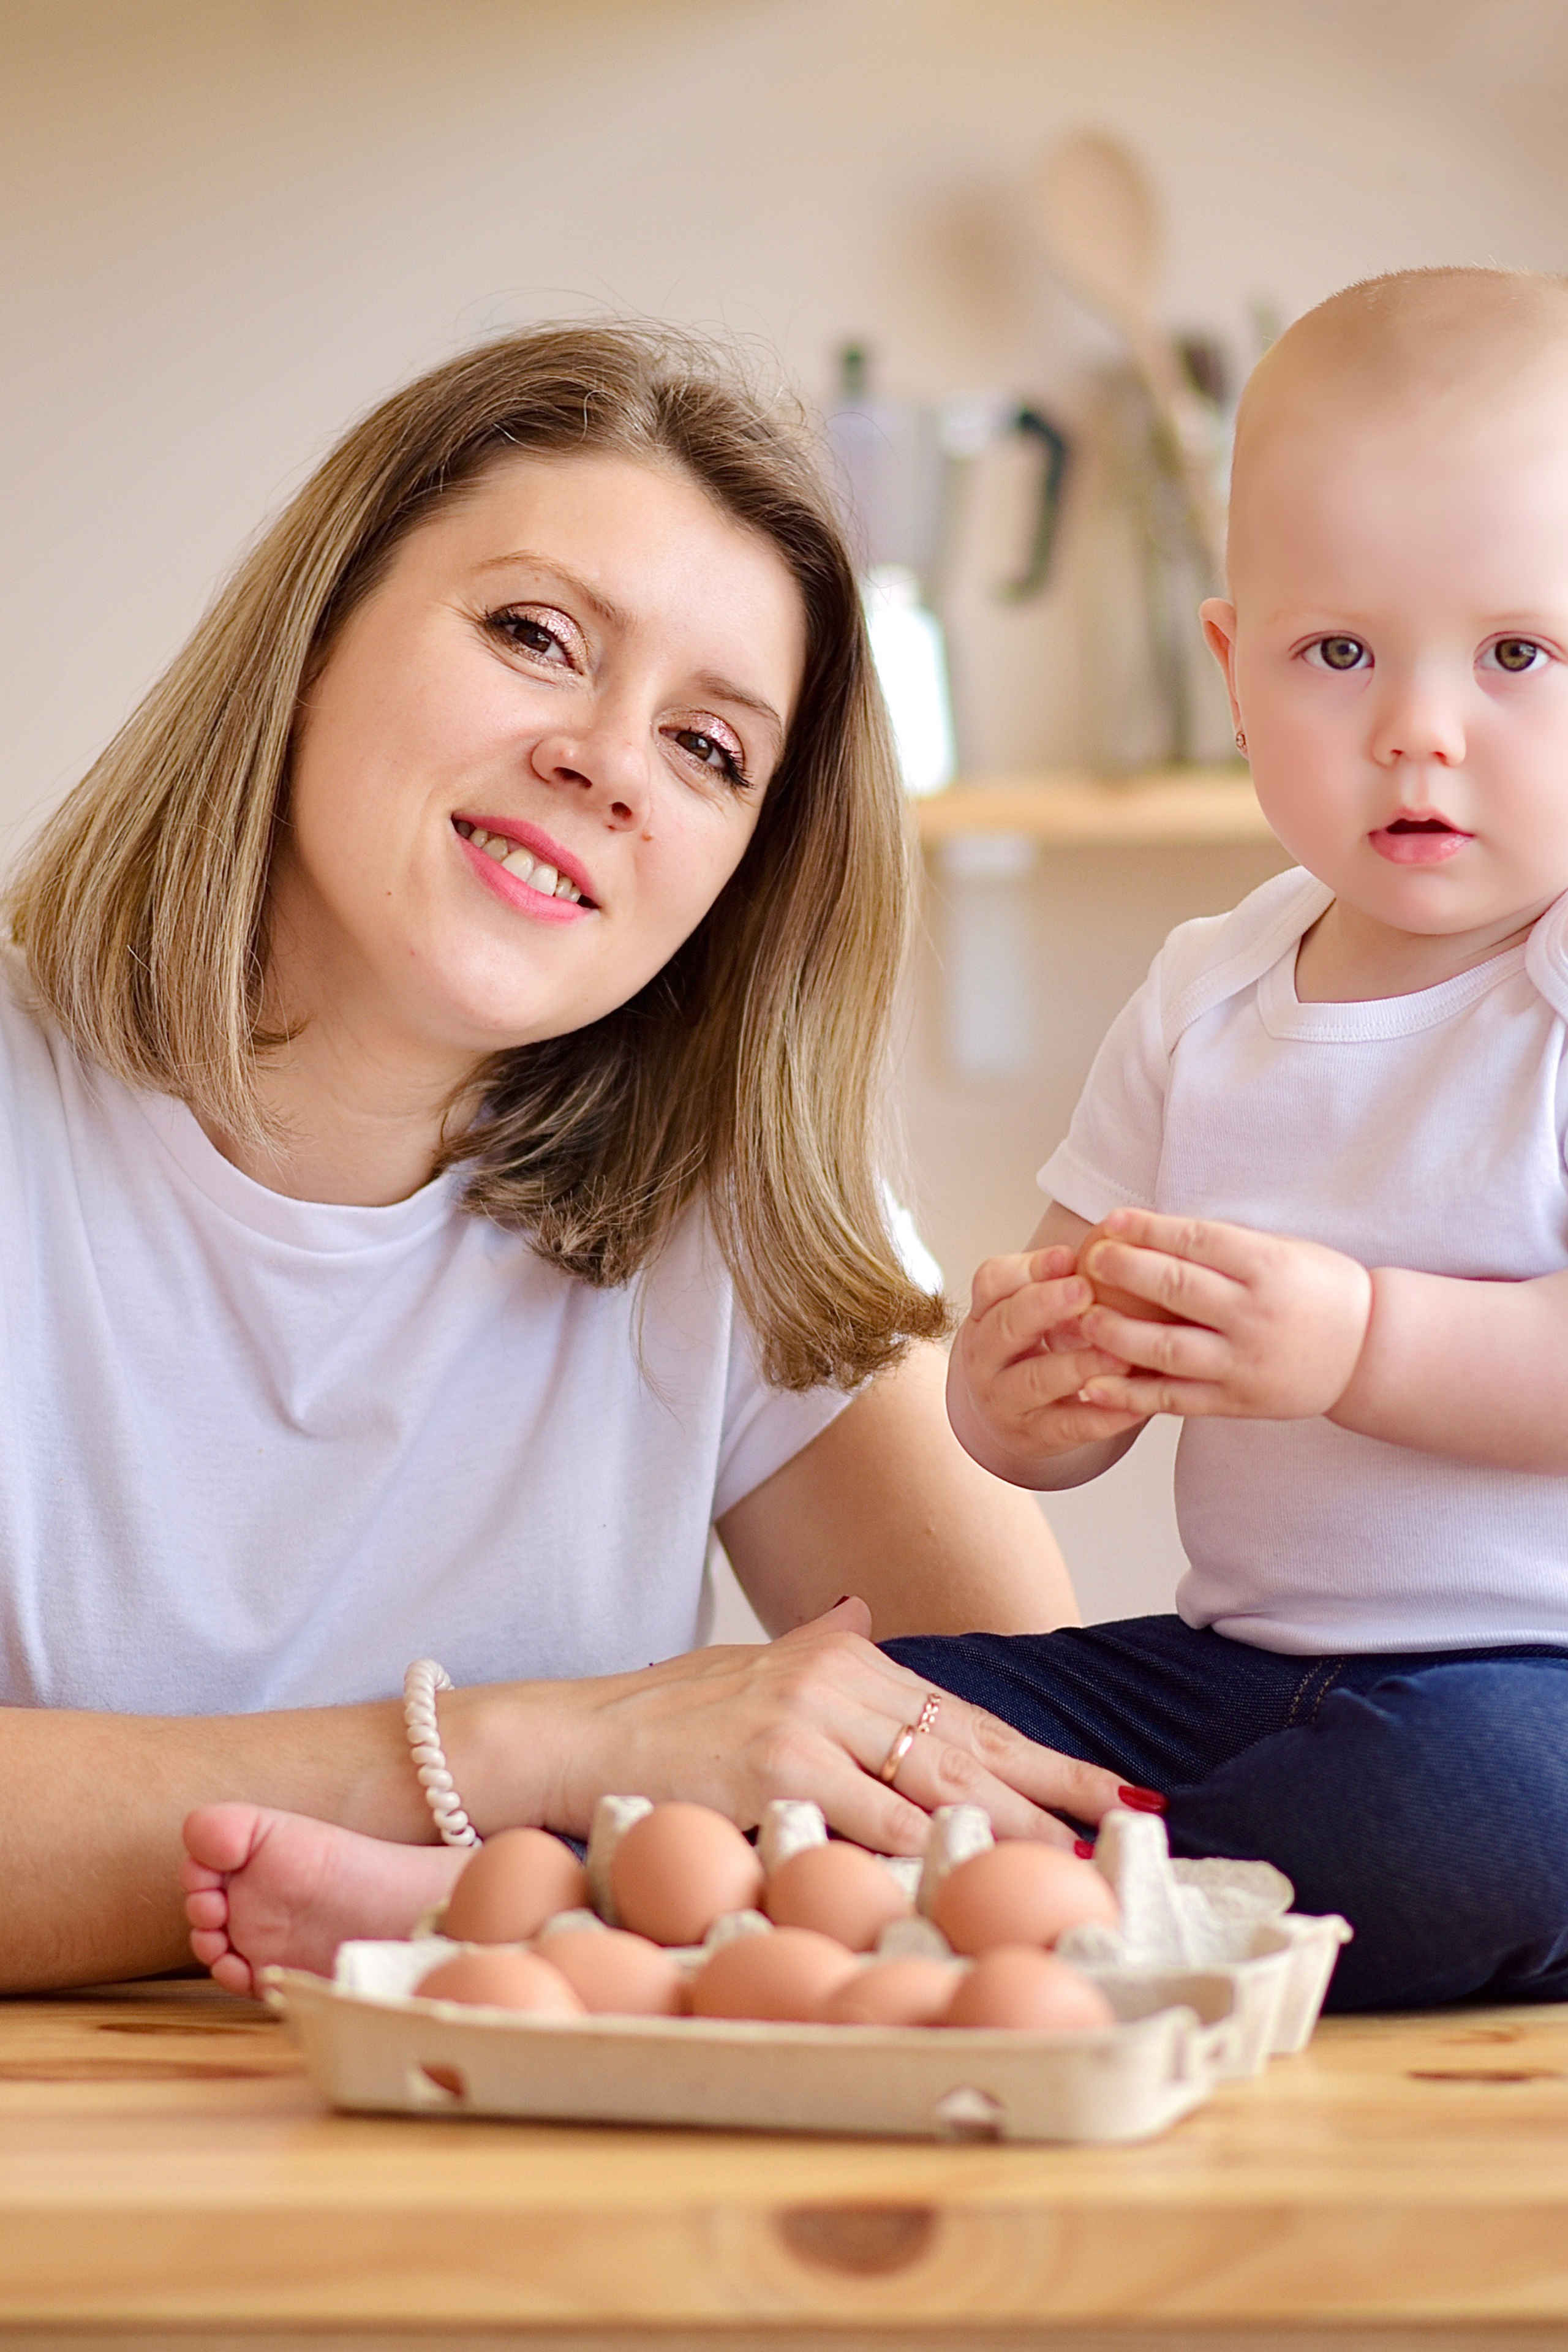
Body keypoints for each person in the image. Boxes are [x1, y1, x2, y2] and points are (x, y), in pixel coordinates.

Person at [0, 322, 1128, 1996]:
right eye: (537, 637)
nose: (605, 762)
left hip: (555, 2196)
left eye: (709, 748)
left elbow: (1040, 1831)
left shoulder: (741, 1213)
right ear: (311, 640)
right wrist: (542, 1750)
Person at [897, 268, 1568, 2011]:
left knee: (1477, 1811)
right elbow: (1051, 1372)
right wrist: (1020, 1394)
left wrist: (1359, 1338)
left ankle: (1057, 1899)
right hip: (1235, 1670)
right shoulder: (1210, 989)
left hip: (1531, 1690)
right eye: (1339, 652)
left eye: (1518, 654)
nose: (1422, 726)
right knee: (877, 1707)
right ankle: (535, 1879)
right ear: (1235, 671)